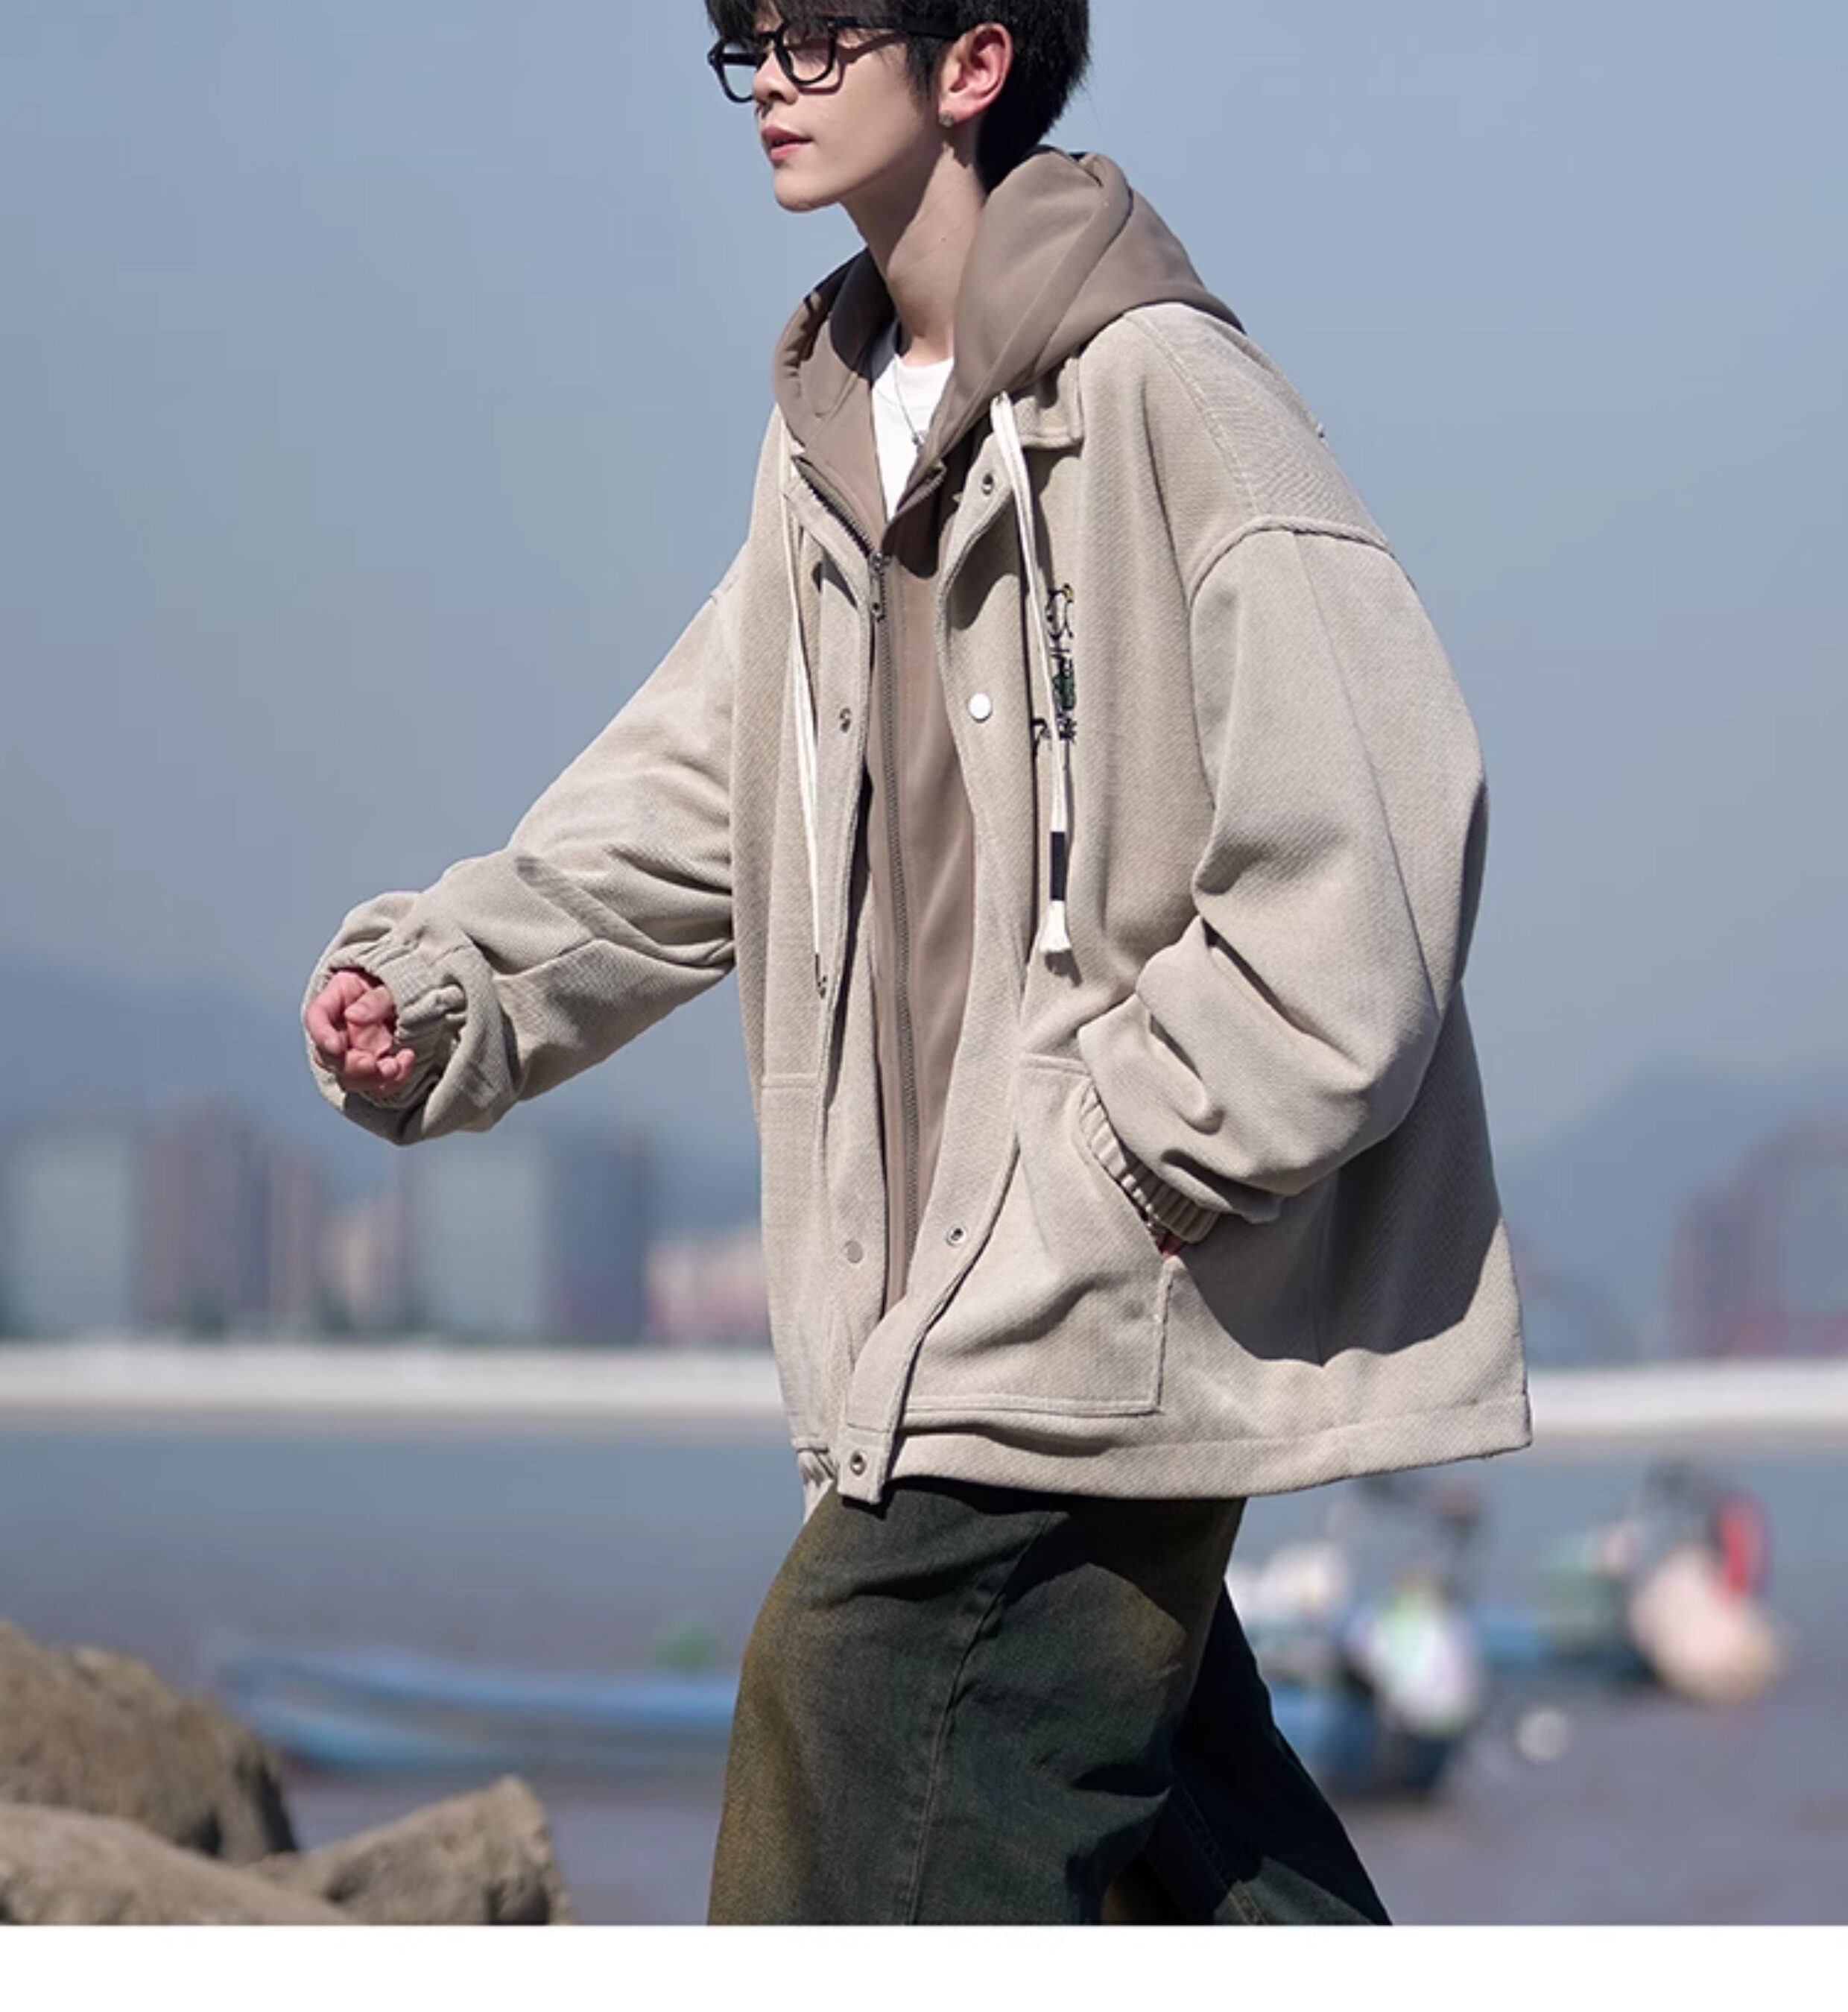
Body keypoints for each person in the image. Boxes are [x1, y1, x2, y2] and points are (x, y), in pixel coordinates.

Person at [303, 1, 1532, 1924]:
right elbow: (702, 792)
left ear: (972, 63)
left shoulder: (1166, 388)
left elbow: (1362, 865)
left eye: (819, 33)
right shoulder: (831, 446)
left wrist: (1127, 1165)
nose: (774, 80)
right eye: (751, 41)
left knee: (854, 1704)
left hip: (1091, 1295)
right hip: (920, 1306)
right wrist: (457, 973)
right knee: (1192, 1869)